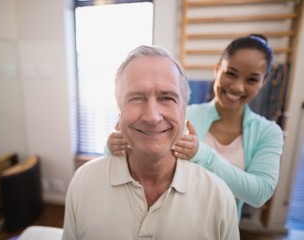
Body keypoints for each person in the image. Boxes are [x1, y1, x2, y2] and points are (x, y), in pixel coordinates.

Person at [63, 45, 239, 239]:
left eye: (167, 98)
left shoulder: (218, 198)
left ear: (184, 110)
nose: (152, 117)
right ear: (119, 112)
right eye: (136, 98)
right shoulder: (84, 183)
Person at [107, 34, 285, 219]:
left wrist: (202, 155)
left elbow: (259, 194)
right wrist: (113, 145)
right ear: (217, 69)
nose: (238, 87)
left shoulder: (269, 133)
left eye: (252, 79)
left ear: (263, 82)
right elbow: (135, 155)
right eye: (230, 73)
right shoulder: (180, 117)